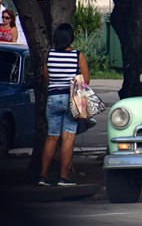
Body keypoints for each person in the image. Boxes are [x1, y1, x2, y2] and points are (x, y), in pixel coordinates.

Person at [39, 23, 90, 187]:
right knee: (68, 138)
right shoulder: (77, 56)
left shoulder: (49, 55)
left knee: (51, 137)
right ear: (70, 38)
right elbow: (86, 81)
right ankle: (64, 177)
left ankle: (43, 176)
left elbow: (46, 78)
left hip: (53, 98)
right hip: (71, 99)